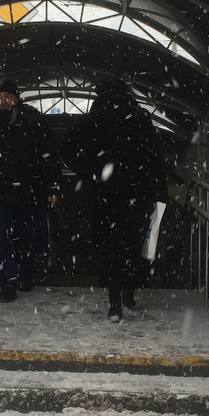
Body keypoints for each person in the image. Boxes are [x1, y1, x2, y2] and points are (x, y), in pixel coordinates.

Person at [61, 79, 167, 323]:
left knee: (112, 248)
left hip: (107, 196)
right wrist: (157, 191)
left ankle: (114, 303)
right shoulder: (140, 117)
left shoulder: (96, 118)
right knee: (133, 245)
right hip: (138, 195)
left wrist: (91, 172)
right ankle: (129, 292)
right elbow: (155, 158)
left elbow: (68, 148)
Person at [0, 78, 60, 302]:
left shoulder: (33, 121)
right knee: (2, 239)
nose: (3, 101)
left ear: (16, 98)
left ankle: (25, 276)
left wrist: (52, 185)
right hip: (2, 193)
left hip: (29, 190)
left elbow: (48, 155)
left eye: (7, 96)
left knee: (28, 237)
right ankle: (9, 283)